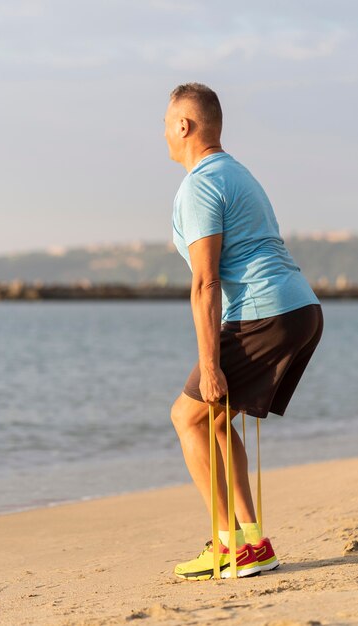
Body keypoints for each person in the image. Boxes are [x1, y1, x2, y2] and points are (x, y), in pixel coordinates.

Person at [165, 83, 324, 580]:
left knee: (188, 418)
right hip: (300, 308)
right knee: (215, 421)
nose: (163, 136)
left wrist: (211, 365)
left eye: (166, 125)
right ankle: (252, 542)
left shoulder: (199, 185)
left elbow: (206, 281)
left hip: (265, 311)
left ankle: (229, 545)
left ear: (184, 126)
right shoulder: (237, 171)